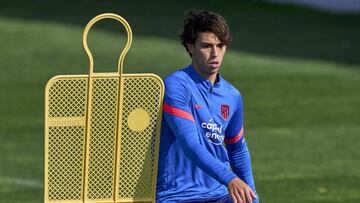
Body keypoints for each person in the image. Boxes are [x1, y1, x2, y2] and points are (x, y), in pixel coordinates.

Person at [156, 9, 259, 203]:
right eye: (206, 46)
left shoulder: (232, 96)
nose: (215, 54)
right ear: (191, 47)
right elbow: (190, 144)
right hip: (177, 196)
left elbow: (237, 149)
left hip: (219, 195)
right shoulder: (176, 85)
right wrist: (230, 179)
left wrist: (252, 195)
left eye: (220, 45)